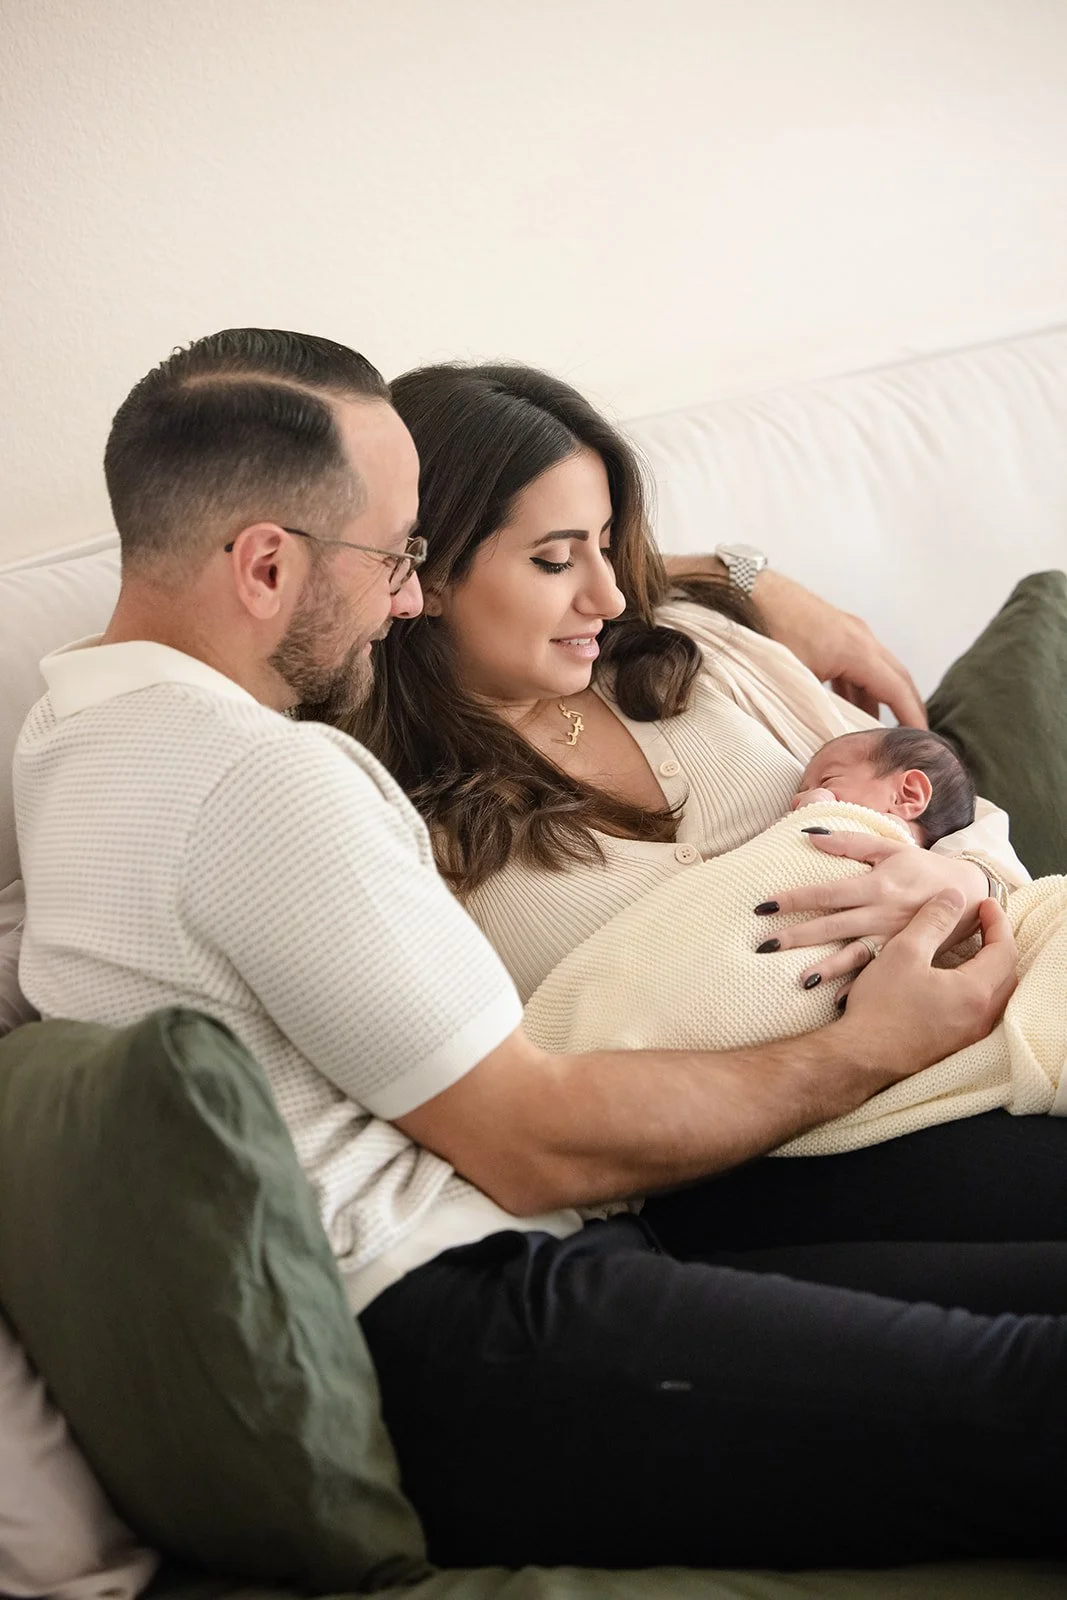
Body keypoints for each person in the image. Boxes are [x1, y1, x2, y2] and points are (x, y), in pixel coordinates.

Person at [13, 330, 1067, 1574]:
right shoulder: (265, 779)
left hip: (502, 1281)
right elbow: (531, 1138)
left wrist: (734, 575)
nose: (406, 597)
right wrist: (872, 1046)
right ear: (263, 565)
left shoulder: (69, 733)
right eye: (396, 558)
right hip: (464, 1319)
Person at [792, 726, 976, 845]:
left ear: (907, 795)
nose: (797, 800)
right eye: (804, 790)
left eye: (827, 780)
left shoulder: (894, 835)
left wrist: (813, 808)